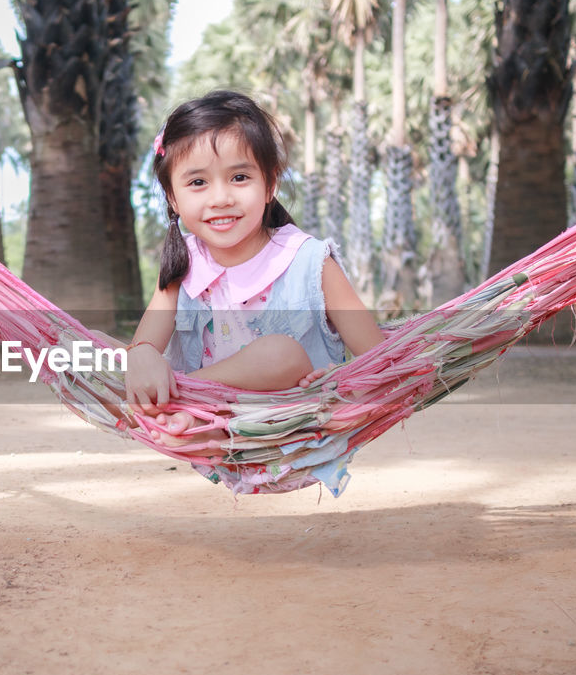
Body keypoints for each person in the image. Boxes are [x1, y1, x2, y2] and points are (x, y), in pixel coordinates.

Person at [125, 90, 385, 446]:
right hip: (221, 421)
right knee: (97, 352)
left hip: (296, 420)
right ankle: (193, 426)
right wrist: (141, 356)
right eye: (197, 182)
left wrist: (338, 384)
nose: (220, 198)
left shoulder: (309, 260)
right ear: (172, 196)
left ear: (270, 184)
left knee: (281, 353)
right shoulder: (182, 262)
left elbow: (380, 361)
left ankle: (190, 406)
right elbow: (143, 347)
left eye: (239, 178)